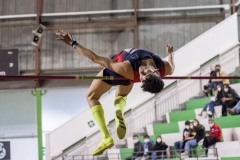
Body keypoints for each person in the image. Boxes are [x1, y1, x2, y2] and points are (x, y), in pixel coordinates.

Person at [56, 29, 175, 155]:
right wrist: (171, 54)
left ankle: (106, 137)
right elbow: (172, 67)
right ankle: (119, 109)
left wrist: (72, 43)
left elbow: (95, 58)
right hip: (128, 78)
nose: (141, 75)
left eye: (142, 79)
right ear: (157, 72)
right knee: (121, 94)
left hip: (120, 71)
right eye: (144, 74)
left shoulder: (125, 68)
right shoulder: (164, 69)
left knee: (91, 97)